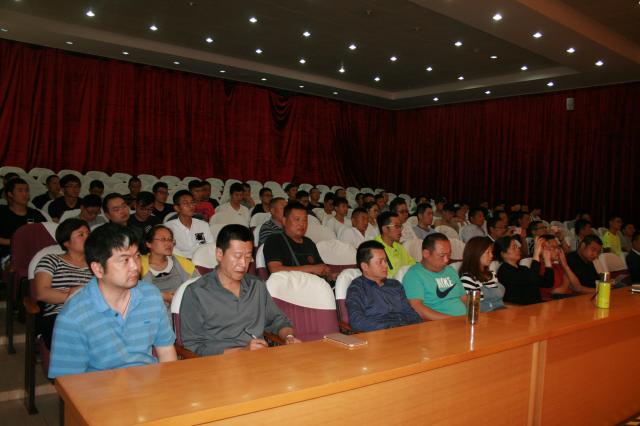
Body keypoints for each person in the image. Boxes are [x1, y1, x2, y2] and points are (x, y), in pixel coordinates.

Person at [48, 223, 177, 378]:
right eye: (125, 260)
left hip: (149, 383)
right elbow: (68, 381)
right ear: (98, 269)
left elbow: (166, 351)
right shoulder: (74, 315)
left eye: (136, 256)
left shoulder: (151, 295)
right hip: (99, 389)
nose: (135, 267)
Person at [180, 224, 300, 356]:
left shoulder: (256, 286)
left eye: (248, 257)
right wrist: (241, 351)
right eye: (237, 256)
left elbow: (278, 320)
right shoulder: (197, 292)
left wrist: (288, 337)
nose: (243, 264)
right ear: (219, 254)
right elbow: (192, 345)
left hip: (258, 359)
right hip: (219, 363)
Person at [34, 219, 92, 349]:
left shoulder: (97, 264)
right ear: (66, 242)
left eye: (88, 234)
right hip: (60, 314)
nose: (87, 237)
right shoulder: (51, 260)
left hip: (93, 313)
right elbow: (43, 293)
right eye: (81, 234)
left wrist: (74, 292)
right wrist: (81, 294)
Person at [346, 240, 422, 331]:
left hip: (405, 332)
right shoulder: (357, 288)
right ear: (365, 266)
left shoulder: (395, 285)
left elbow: (411, 314)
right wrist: (391, 327)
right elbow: (357, 321)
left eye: (385, 261)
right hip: (379, 335)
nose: (385, 265)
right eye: (380, 262)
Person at [402, 233, 467, 320]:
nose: (446, 260)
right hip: (440, 324)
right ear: (426, 253)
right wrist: (452, 321)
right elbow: (417, 308)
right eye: (442, 255)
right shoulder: (414, 275)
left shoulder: (450, 270)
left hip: (463, 321)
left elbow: (464, 298)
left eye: (448, 255)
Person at [263, 202, 333, 279]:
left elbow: (321, 268)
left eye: (305, 220)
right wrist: (311, 269)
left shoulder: (309, 242)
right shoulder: (274, 240)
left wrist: (330, 275)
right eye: (297, 219)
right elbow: (275, 270)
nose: (302, 224)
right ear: (284, 221)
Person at [140, 225, 198, 307]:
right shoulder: (137, 265)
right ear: (149, 244)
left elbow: (199, 285)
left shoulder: (182, 262)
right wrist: (162, 296)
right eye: (163, 239)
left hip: (184, 307)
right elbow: (133, 293)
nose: (168, 243)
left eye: (170, 240)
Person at [494, 236, 553, 305]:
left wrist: (547, 259)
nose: (518, 249)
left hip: (536, 306)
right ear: (503, 254)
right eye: (514, 247)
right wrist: (536, 253)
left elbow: (548, 283)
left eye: (517, 246)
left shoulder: (523, 268)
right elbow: (532, 279)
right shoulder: (504, 271)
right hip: (521, 308)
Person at [0, 178, 46, 261]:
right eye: (20, 190)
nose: (25, 194)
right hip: (7, 255)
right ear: (10, 194)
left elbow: (45, 235)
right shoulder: (2, 212)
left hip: (32, 255)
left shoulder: (36, 214)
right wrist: (16, 242)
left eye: (27, 190)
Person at [538, 235, 593, 299]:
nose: (557, 250)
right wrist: (566, 282)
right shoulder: (540, 268)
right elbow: (555, 294)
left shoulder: (558, 266)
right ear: (541, 250)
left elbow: (577, 287)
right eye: (553, 247)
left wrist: (565, 265)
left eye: (558, 247)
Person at [458, 237, 505, 312]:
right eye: (487, 252)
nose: (491, 255)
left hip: (500, 312)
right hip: (484, 315)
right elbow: (472, 308)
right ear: (476, 254)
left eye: (491, 252)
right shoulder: (468, 279)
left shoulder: (492, 274)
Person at [165, 190, 213, 258]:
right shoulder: (168, 228)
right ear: (177, 208)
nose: (191, 206)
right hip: (179, 261)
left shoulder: (203, 225)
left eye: (192, 202)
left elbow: (210, 246)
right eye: (185, 203)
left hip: (201, 260)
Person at [373, 211, 415, 278]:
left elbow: (412, 265)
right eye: (396, 226)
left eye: (400, 226)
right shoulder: (374, 248)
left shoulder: (399, 247)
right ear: (385, 229)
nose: (400, 230)